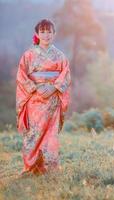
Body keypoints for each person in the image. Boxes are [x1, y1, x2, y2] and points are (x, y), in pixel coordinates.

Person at [16, 19, 71, 176]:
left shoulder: (60, 56)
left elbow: (66, 76)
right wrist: (35, 88)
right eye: (42, 32)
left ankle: (49, 168)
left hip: (53, 101)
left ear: (54, 34)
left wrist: (53, 87)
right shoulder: (28, 55)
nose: (46, 35)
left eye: (49, 32)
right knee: (33, 133)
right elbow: (21, 76)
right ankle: (30, 167)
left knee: (50, 134)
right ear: (37, 34)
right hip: (34, 99)